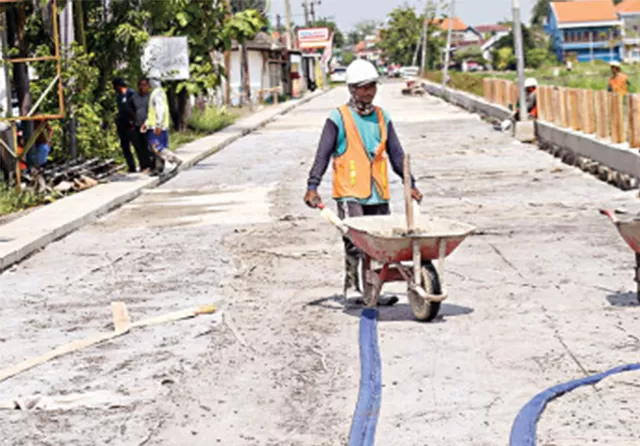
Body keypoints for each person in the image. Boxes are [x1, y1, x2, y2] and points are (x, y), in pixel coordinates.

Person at [303, 59, 423, 305]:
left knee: (380, 243)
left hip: (378, 191)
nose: (369, 92)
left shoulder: (382, 117)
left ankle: (374, 288)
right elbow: (322, 154)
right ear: (352, 89)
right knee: (355, 241)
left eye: (372, 87)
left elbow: (397, 155)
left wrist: (410, 183)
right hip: (350, 190)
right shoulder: (338, 118)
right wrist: (312, 186)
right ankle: (352, 286)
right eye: (363, 87)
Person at [144, 76, 182, 176]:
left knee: (156, 147)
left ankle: (174, 160)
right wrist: (147, 123)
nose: (148, 84)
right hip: (158, 125)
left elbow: (160, 110)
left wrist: (158, 125)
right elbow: (153, 112)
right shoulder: (159, 92)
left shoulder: (157, 94)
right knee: (158, 148)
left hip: (157, 127)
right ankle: (158, 168)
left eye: (149, 82)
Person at [127, 78, 154, 174]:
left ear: (149, 86)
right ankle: (144, 165)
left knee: (150, 147)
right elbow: (129, 110)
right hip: (137, 126)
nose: (142, 87)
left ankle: (152, 165)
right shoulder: (134, 98)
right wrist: (133, 122)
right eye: (140, 85)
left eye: (144, 85)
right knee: (139, 147)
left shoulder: (151, 98)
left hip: (150, 126)